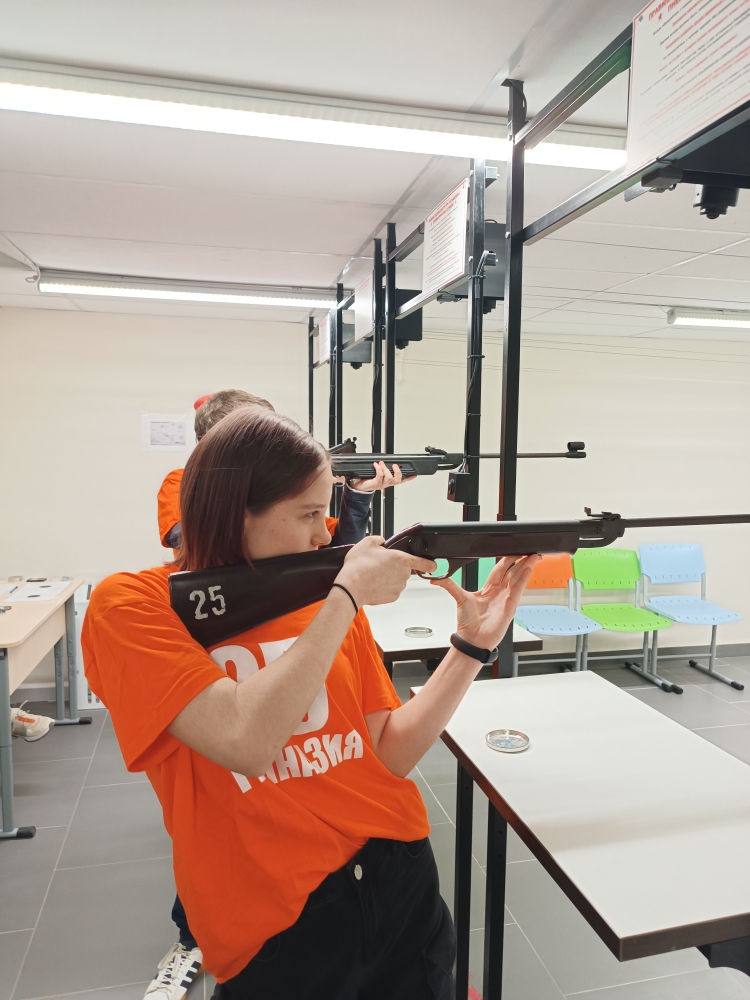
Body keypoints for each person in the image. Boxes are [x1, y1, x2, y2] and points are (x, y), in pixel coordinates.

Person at [83, 407, 537, 1000]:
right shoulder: (132, 605)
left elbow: (388, 752)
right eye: (307, 514)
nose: (325, 534)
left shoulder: (320, 591)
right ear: (235, 512)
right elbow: (244, 740)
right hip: (270, 917)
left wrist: (472, 646)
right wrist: (345, 596)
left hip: (399, 877)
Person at [150, 390, 413, 1000]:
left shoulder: (300, 526)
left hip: (360, 854)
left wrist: (353, 499)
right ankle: (190, 938)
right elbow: (192, 543)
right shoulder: (176, 493)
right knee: (213, 820)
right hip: (223, 681)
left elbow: (326, 557)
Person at [157, 389, 408, 556]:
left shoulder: (283, 489)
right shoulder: (180, 482)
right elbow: (188, 539)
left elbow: (341, 549)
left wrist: (358, 495)